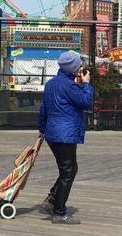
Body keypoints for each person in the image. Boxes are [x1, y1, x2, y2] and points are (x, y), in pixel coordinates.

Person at [37, 51, 93, 225]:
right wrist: (86, 84)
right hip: (65, 134)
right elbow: (86, 102)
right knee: (68, 172)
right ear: (73, 68)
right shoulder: (70, 86)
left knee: (69, 169)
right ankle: (59, 212)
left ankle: (52, 200)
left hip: (53, 134)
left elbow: (43, 109)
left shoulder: (51, 84)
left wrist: (42, 129)